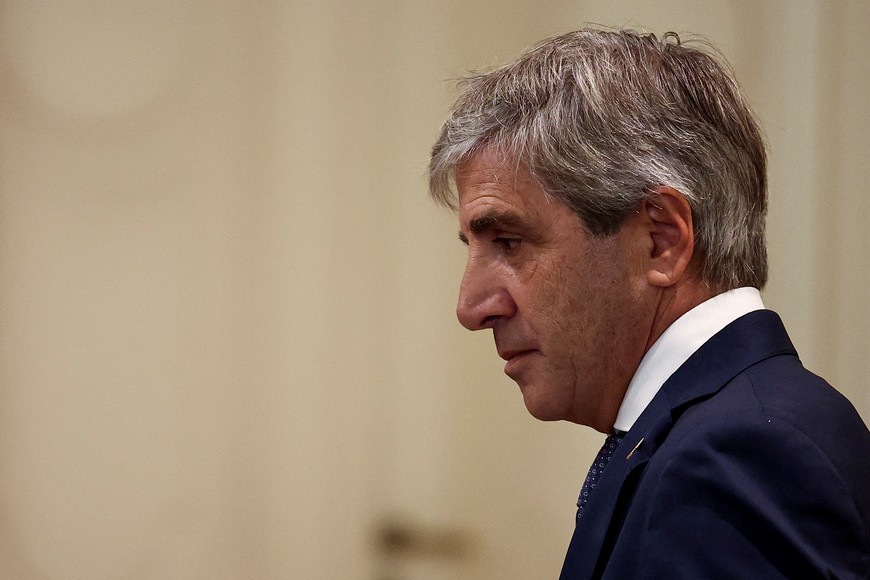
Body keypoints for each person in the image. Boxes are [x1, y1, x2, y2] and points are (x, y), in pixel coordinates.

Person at [427, 28, 870, 579]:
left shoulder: (734, 458)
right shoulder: (727, 431)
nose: (472, 307)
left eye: (510, 243)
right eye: (475, 249)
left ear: (661, 239)